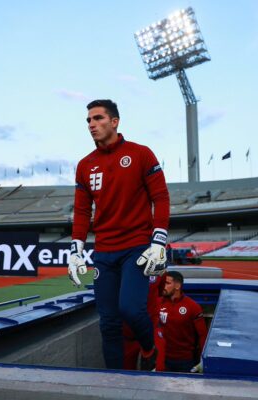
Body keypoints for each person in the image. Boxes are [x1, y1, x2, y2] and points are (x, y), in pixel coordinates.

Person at [68, 99, 170, 370]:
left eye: (98, 118)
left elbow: (160, 197)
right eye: (88, 120)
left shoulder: (141, 153)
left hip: (136, 247)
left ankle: (148, 351)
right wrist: (76, 249)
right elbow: (81, 211)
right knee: (108, 323)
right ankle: (113, 381)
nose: (91, 124)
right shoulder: (84, 165)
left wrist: (159, 240)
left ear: (114, 122)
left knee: (131, 309)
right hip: (103, 252)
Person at [158, 270, 208, 373]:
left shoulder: (193, 306)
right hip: (162, 359)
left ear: (177, 286)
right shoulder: (158, 303)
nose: (163, 286)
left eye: (167, 283)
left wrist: (203, 359)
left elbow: (203, 335)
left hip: (185, 361)